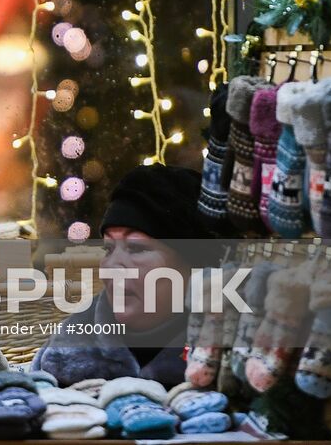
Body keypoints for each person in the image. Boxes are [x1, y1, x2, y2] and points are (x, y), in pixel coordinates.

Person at [33, 164, 214, 388]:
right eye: (108, 249)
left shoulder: (238, 358)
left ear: (193, 266)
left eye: (136, 248)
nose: (112, 266)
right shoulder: (62, 353)